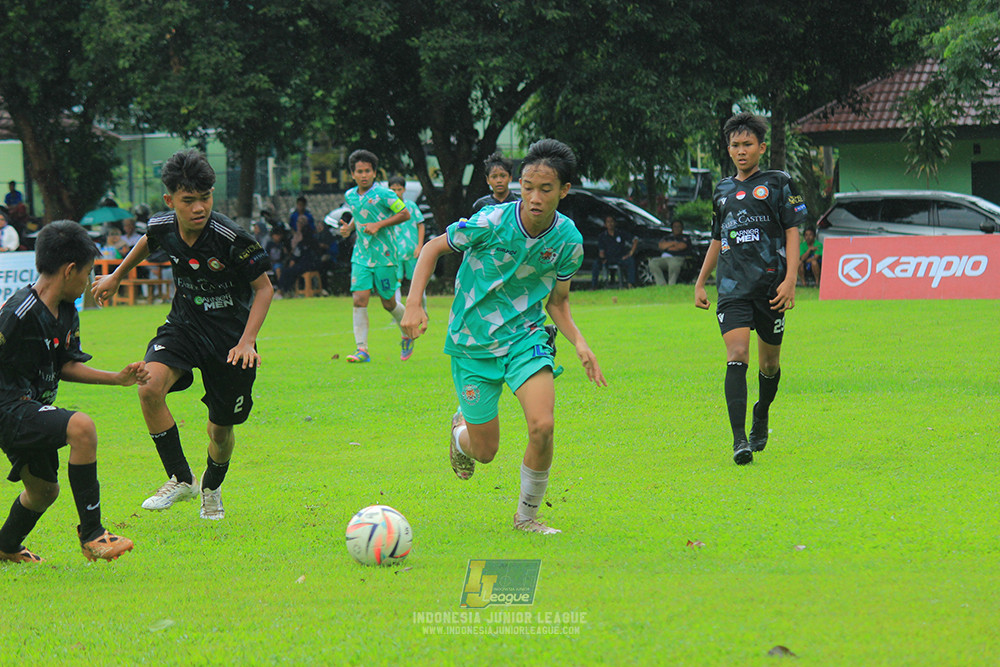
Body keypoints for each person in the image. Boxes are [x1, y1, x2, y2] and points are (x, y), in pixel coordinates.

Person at [401, 138, 607, 534]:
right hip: (472, 344)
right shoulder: (489, 222)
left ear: (564, 190)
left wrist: (580, 342)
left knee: (542, 426)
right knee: (485, 452)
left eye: (546, 189)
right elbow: (431, 249)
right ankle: (461, 434)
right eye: (528, 187)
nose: (534, 197)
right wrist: (414, 304)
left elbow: (558, 303)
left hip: (525, 338)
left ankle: (527, 517)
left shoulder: (567, 241)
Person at [91, 148, 273, 520]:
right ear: (170, 200)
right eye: (188, 200)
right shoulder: (163, 226)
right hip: (184, 326)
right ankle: (182, 477)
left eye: (205, 198)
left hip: (230, 342)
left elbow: (265, 288)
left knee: (219, 434)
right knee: (148, 387)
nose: (198, 208)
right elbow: (148, 240)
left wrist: (247, 340)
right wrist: (116, 275)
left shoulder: (231, 238)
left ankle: (211, 486)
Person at [0, 220, 146, 562]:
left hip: (29, 407)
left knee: (43, 491)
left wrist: (118, 378)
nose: (89, 281)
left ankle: (5, 547)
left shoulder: (66, 310)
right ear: (69, 270)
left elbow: (64, 364)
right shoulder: (18, 313)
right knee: (82, 427)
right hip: (8, 407)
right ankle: (93, 535)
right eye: (88, 272)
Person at [694, 112, 806, 465]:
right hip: (732, 288)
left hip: (771, 287)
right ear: (728, 149)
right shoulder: (722, 190)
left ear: (762, 147)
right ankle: (739, 440)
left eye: (748, 145)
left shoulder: (780, 182)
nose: (741, 151)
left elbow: (793, 231)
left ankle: (762, 411)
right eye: (735, 145)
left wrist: (790, 279)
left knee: (769, 364)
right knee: (737, 355)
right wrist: (700, 280)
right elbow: (717, 237)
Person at [338, 149, 412, 362]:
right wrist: (349, 229)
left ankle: (407, 333)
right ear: (352, 174)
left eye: (367, 171)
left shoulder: (385, 194)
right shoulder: (350, 195)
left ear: (374, 173)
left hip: (385, 256)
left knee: (388, 303)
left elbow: (404, 213)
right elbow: (358, 215)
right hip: (361, 255)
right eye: (359, 171)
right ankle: (362, 350)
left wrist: (379, 224)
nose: (364, 175)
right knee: (359, 299)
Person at [386, 176, 426, 312]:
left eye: (399, 189)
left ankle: (423, 310)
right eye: (393, 190)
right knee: (396, 282)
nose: (396, 193)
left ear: (404, 190)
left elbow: (420, 224)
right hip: (395, 252)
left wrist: (420, 245)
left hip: (412, 250)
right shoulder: (387, 208)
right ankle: (399, 312)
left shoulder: (410, 206)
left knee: (417, 281)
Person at [591, 216, 637, 288]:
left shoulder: (620, 233)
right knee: (596, 263)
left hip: (620, 257)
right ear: (605, 224)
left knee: (631, 261)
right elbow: (601, 251)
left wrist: (631, 252)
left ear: (615, 223)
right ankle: (594, 286)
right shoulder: (602, 236)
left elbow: (635, 239)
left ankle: (630, 284)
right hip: (607, 258)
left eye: (612, 221)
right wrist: (602, 258)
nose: (610, 224)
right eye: (608, 222)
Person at [470, 151, 519, 216]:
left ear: (510, 178)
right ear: (488, 180)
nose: (499, 180)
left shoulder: (518, 203)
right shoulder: (481, 205)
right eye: (494, 177)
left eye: (503, 176)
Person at [649, 220, 692, 285]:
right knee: (653, 263)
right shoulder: (667, 237)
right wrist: (674, 243)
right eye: (675, 227)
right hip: (664, 258)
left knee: (673, 264)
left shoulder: (685, 237)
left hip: (677, 258)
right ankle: (661, 284)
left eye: (678, 227)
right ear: (672, 228)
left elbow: (681, 247)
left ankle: (671, 284)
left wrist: (668, 246)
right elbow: (661, 246)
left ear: (682, 228)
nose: (677, 228)